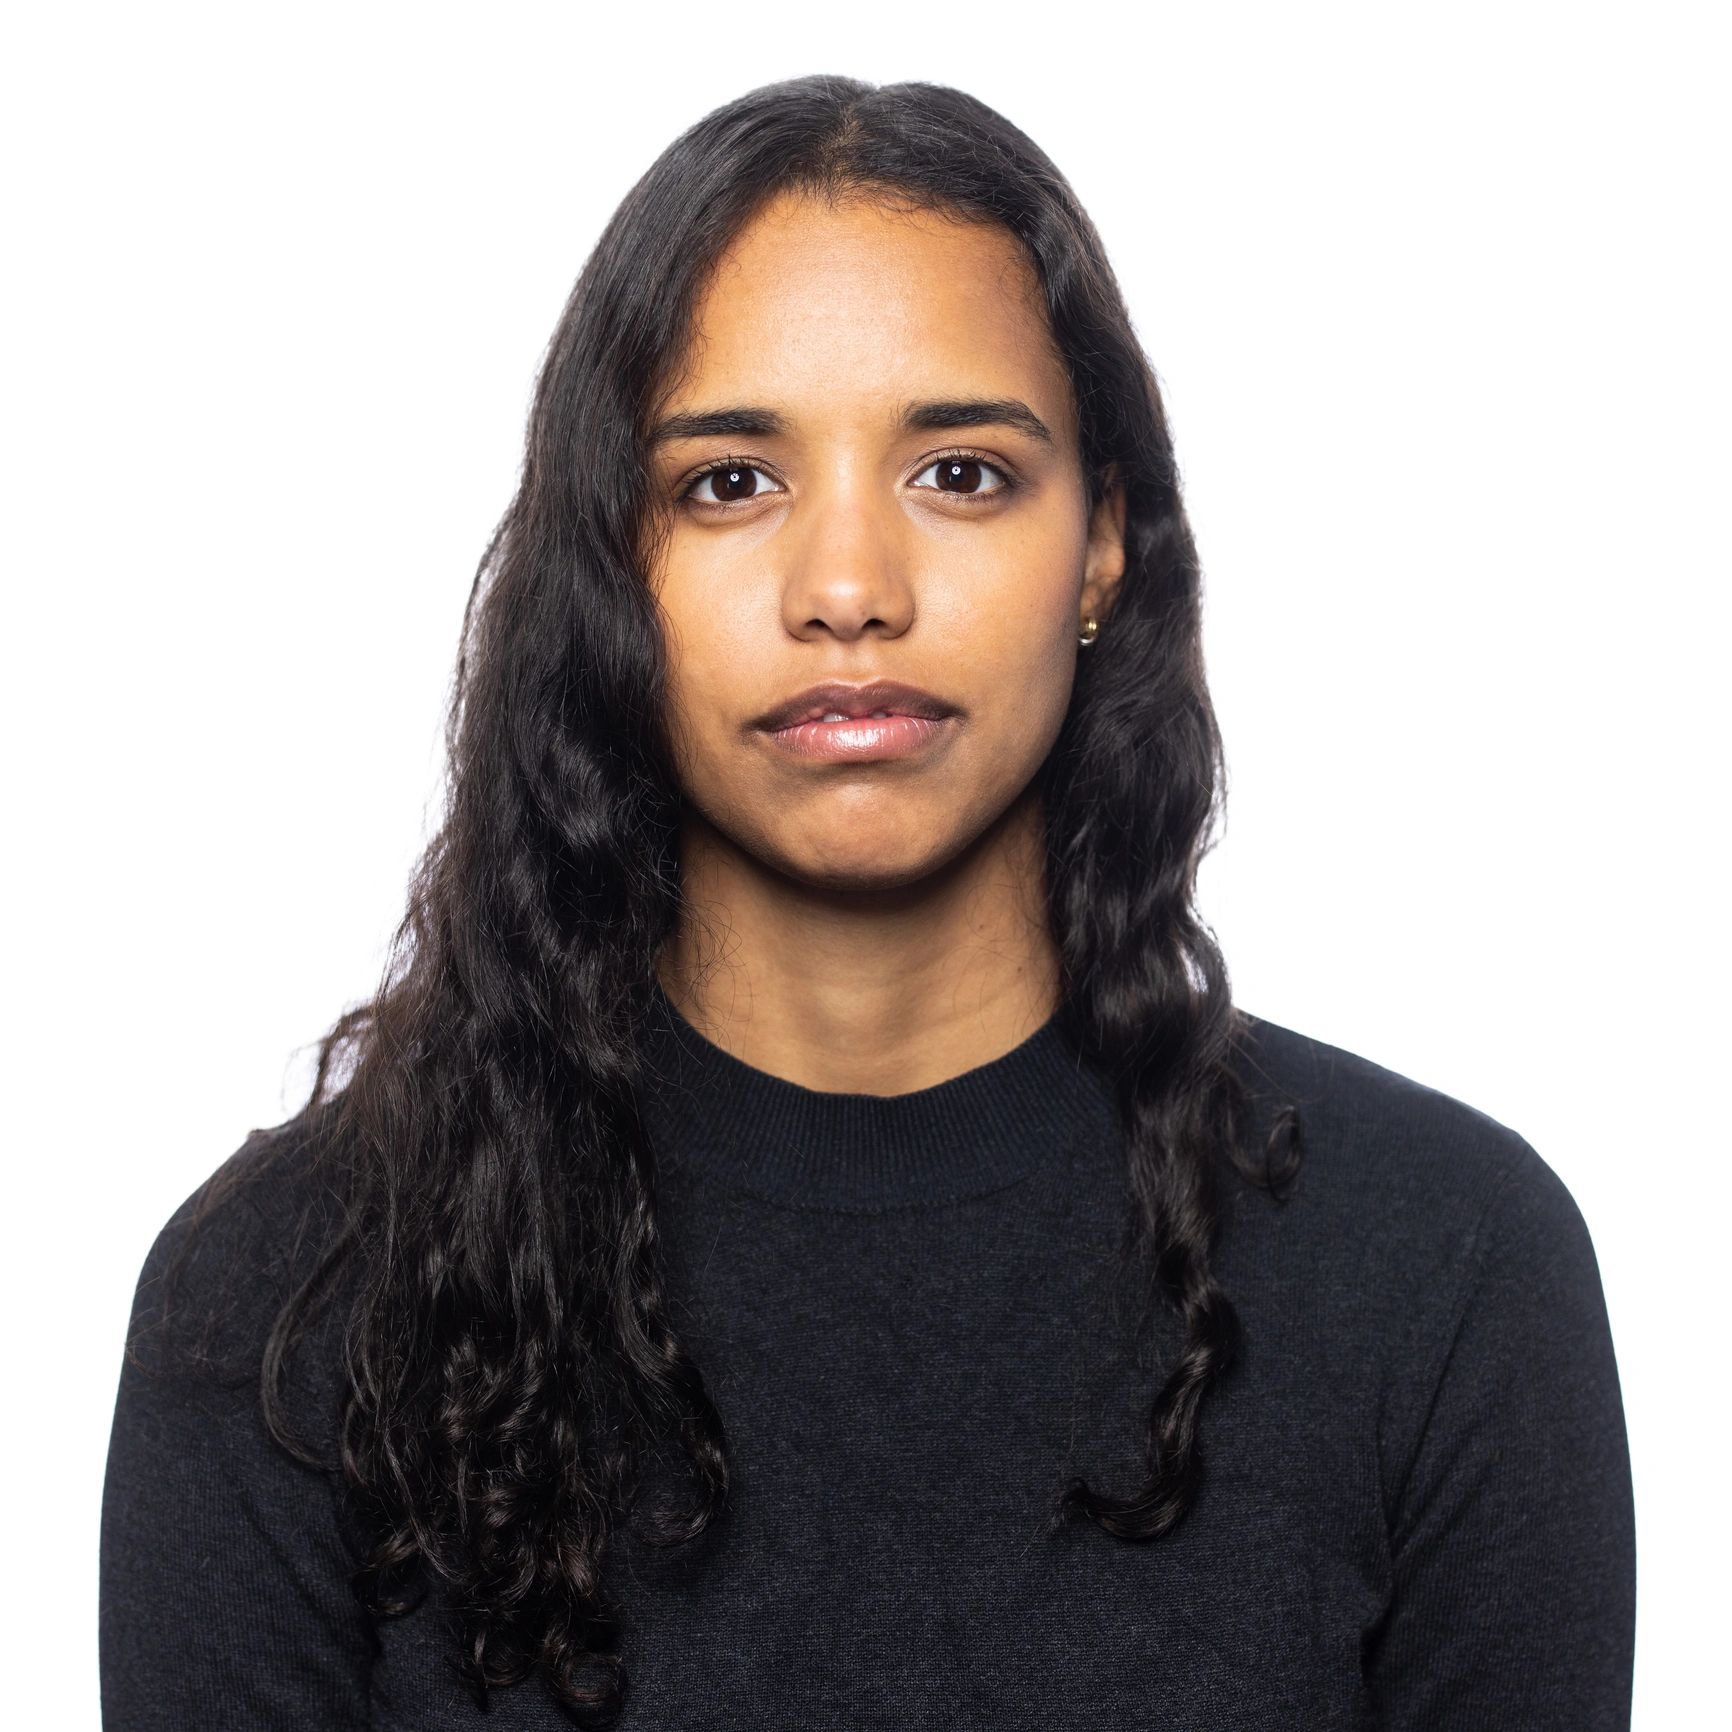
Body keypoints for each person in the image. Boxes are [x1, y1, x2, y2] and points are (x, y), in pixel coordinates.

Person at [98, 73, 1636, 1731]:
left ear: (1104, 544)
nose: (848, 590)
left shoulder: (1447, 1269)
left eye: (961, 473)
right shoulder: (282, 1303)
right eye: (728, 482)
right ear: (611, 563)